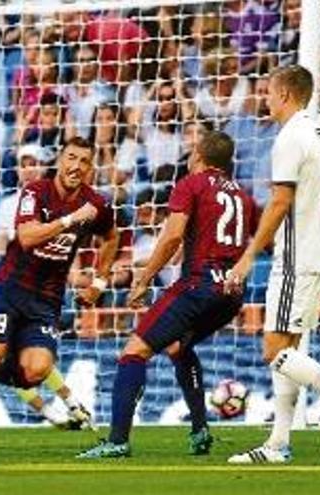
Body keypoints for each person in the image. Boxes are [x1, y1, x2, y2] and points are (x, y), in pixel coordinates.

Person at [224, 65, 320, 464]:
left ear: (287, 94)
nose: (266, 100)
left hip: (296, 257)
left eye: (270, 93)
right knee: (288, 349)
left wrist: (247, 256)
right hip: (315, 250)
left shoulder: (290, 138)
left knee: (273, 349)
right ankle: (278, 444)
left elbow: (279, 202)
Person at [0, 137, 121, 450]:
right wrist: (70, 220)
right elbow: (27, 236)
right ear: (60, 160)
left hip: (47, 299)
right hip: (11, 288)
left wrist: (99, 283)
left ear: (90, 167)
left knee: (36, 369)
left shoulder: (96, 204)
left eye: (84, 161)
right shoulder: (36, 191)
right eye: (71, 158)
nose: (76, 166)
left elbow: (112, 238)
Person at [77, 131, 257, 458]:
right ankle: (200, 430)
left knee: (133, 352)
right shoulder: (242, 195)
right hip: (231, 292)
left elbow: (172, 237)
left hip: (199, 285)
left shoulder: (191, 184)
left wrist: (144, 279)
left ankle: (117, 440)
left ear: (199, 156)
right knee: (178, 346)